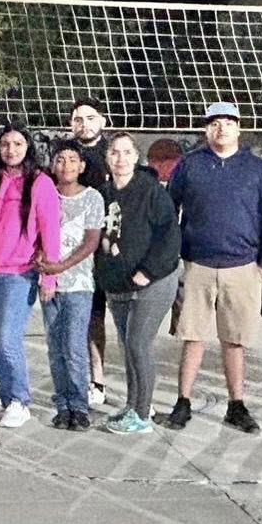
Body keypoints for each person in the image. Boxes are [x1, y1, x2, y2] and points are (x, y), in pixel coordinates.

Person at [161, 101, 262, 434]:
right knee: (192, 337)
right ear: (206, 129)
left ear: (238, 128)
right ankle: (183, 402)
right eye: (214, 123)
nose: (221, 128)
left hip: (242, 266)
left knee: (234, 340)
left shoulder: (256, 168)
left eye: (228, 122)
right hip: (197, 264)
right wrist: (175, 255)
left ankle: (236, 405)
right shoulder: (190, 165)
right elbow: (169, 210)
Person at [0, 123, 61, 428]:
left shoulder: (40, 183)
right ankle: (2, 397)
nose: (11, 150)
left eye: (18, 144)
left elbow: (50, 234)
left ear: (27, 147)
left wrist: (49, 277)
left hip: (19, 274)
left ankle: (19, 400)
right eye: (5, 144)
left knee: (8, 339)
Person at [96, 133, 181, 434]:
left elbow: (169, 236)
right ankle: (132, 406)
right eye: (114, 152)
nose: (120, 158)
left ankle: (142, 414)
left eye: (126, 152)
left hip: (152, 281)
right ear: (107, 157)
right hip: (118, 285)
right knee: (127, 347)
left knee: (138, 344)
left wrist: (147, 271)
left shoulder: (150, 191)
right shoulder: (103, 193)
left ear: (136, 156)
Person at [37, 141, 105, 430]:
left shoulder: (92, 198)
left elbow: (91, 241)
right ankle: (62, 404)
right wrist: (43, 264)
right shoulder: (45, 194)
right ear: (53, 165)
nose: (66, 165)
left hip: (78, 283)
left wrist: (61, 266)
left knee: (75, 347)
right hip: (48, 283)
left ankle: (79, 405)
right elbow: (36, 230)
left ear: (82, 166)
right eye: (60, 159)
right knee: (55, 347)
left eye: (72, 159)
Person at [69, 96, 113, 407]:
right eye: (78, 119)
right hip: (77, 249)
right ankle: (94, 380)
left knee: (124, 322)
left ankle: (138, 389)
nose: (84, 124)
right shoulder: (64, 155)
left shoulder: (115, 153)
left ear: (102, 121)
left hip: (112, 249)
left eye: (90, 118)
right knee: (87, 317)